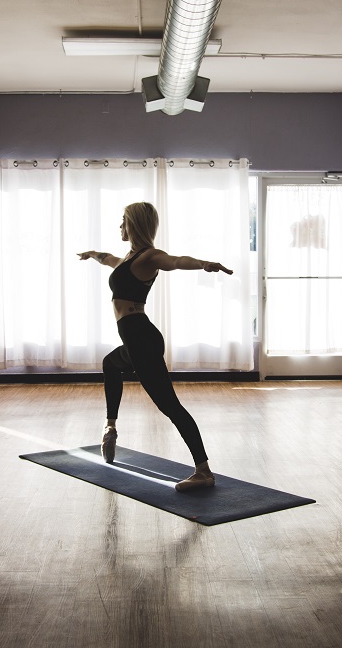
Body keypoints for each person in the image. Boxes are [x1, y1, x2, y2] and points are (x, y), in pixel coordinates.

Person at [78, 202, 233, 491]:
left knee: (169, 405)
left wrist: (203, 263)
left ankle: (204, 471)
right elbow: (110, 259)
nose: (120, 227)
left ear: (134, 224)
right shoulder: (129, 258)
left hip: (141, 337)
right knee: (110, 364)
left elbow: (176, 261)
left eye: (123, 221)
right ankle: (110, 428)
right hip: (135, 337)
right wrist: (92, 254)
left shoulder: (149, 256)